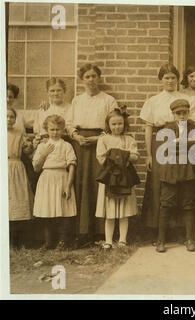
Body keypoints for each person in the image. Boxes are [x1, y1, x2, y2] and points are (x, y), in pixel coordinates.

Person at [139, 63, 195, 242]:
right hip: (161, 145)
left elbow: (192, 125)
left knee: (183, 185)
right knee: (162, 186)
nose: (170, 81)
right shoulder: (154, 100)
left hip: (182, 143)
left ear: (178, 79)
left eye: (173, 77)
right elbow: (148, 128)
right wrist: (149, 154)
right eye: (166, 78)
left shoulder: (187, 99)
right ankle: (157, 231)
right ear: (161, 80)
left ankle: (180, 230)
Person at [66, 63, 119, 245]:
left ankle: (100, 232)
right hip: (80, 143)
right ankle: (82, 232)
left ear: (99, 78)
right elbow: (69, 123)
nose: (91, 80)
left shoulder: (108, 100)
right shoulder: (77, 100)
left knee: (99, 184)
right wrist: (76, 136)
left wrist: (98, 138)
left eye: (94, 76)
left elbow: (114, 124)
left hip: (100, 142)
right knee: (82, 184)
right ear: (82, 80)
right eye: (87, 77)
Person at [155, 99, 195, 253]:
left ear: (189, 113)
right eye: (178, 113)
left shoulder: (194, 128)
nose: (181, 116)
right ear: (173, 114)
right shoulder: (167, 128)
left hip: (188, 171)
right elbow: (166, 148)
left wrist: (180, 142)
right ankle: (160, 240)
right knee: (166, 204)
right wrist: (185, 143)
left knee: (188, 205)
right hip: (171, 171)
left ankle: (189, 238)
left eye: (184, 113)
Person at [95, 109, 140, 250]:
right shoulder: (103, 139)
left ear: (124, 124)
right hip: (110, 177)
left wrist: (117, 155)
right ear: (108, 125)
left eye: (120, 123)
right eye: (113, 124)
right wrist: (118, 157)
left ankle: (122, 239)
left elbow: (135, 156)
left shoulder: (129, 140)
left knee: (124, 211)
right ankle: (108, 240)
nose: (117, 127)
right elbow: (101, 158)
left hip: (124, 178)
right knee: (109, 210)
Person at [32, 115, 77, 250]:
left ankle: (63, 241)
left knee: (63, 210)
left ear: (63, 130)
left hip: (62, 178)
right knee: (48, 210)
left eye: (58, 129)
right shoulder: (42, 146)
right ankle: (49, 241)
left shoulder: (66, 145)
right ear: (47, 129)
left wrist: (68, 186)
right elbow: (36, 168)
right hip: (46, 179)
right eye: (52, 129)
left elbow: (72, 166)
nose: (55, 132)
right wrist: (44, 154)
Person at [7, 107, 34, 248]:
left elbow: (27, 150)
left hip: (16, 167)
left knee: (17, 202)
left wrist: (31, 146)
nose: (8, 119)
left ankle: (17, 241)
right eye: (5, 116)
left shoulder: (19, 133)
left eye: (11, 117)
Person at [33, 78, 71, 144]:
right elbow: (37, 130)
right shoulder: (43, 109)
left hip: (64, 144)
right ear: (48, 92)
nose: (56, 93)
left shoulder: (70, 108)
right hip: (44, 144)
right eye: (52, 91)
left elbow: (70, 129)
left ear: (64, 91)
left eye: (59, 90)